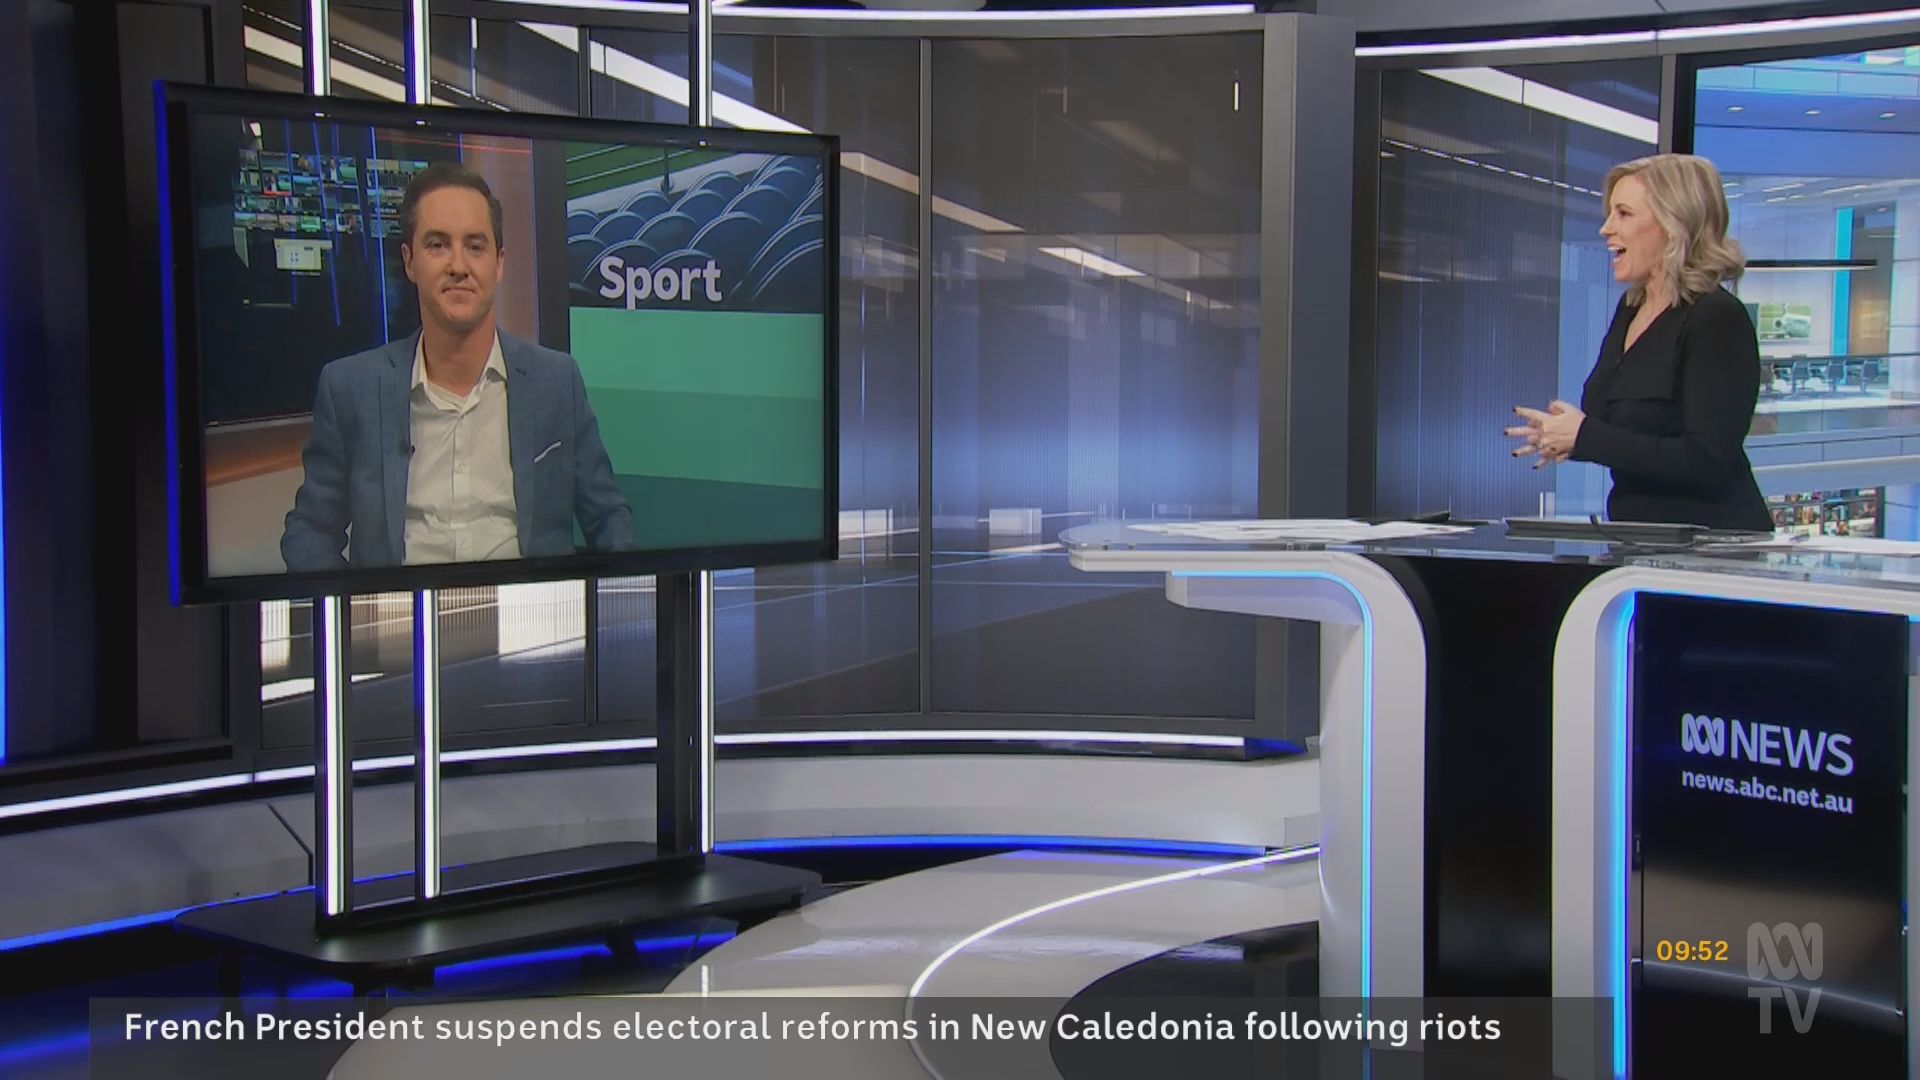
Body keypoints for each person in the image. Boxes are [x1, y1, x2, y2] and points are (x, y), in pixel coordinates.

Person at [282, 162, 635, 571]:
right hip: (406, 608)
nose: (458, 266)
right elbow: (309, 532)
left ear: (498, 263)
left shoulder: (556, 381)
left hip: (532, 606)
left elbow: (608, 518)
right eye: (437, 245)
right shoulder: (349, 388)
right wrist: (358, 604)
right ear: (410, 261)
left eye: (475, 246)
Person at [1506, 153, 1773, 532]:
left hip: (1710, 544)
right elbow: (1623, 437)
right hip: (1639, 540)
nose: (1606, 229)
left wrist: (1586, 436)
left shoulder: (1717, 318)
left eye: (1624, 214)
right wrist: (1564, 435)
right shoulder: (1631, 308)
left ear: (1672, 225)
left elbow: (1707, 460)